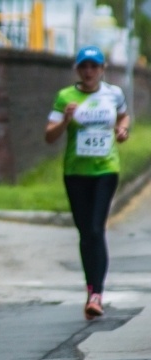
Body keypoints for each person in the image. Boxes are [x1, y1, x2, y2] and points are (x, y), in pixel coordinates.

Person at [45, 45, 130, 320]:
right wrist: (66, 119)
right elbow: (49, 136)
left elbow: (123, 115)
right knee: (85, 233)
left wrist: (123, 129)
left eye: (94, 66)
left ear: (103, 69)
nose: (89, 71)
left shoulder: (113, 94)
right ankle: (90, 287)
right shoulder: (65, 97)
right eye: (84, 66)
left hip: (106, 169)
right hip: (75, 173)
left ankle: (96, 294)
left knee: (95, 228)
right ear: (78, 70)